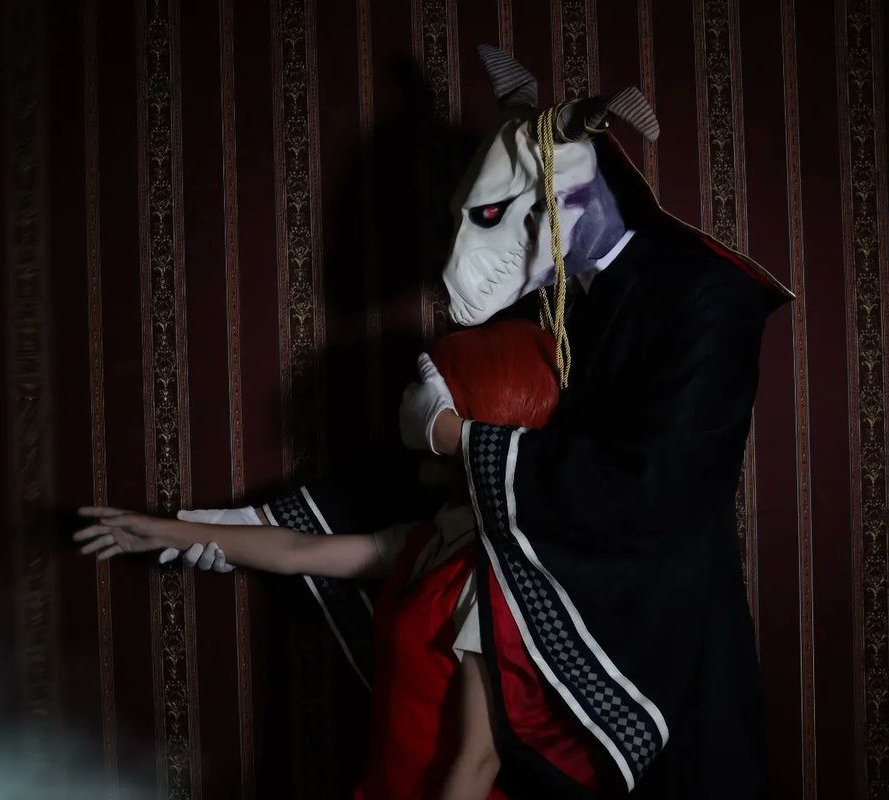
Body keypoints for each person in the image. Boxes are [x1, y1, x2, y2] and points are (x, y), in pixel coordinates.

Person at [156, 46, 793, 799]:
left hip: (657, 637)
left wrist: (457, 436)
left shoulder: (707, 296)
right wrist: (248, 525)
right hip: (542, 606)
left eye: (492, 217)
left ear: (559, 197)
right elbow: (452, 476)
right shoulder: (553, 306)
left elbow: (662, 482)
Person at [78, 320, 625, 799]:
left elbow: (478, 761)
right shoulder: (431, 541)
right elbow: (298, 551)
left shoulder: (494, 583)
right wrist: (162, 532)